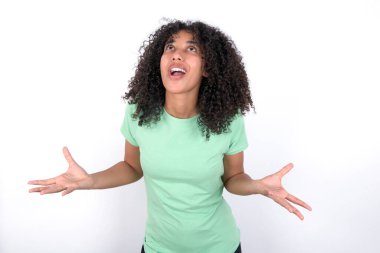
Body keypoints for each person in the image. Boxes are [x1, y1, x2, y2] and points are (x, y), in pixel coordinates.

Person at [28, 20, 312, 253]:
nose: (177, 54)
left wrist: (258, 186)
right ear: (160, 61)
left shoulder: (228, 120)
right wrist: (89, 181)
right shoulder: (139, 112)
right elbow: (131, 167)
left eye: (191, 48)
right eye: (170, 46)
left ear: (208, 67)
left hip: (219, 247)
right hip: (157, 248)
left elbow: (233, 178)